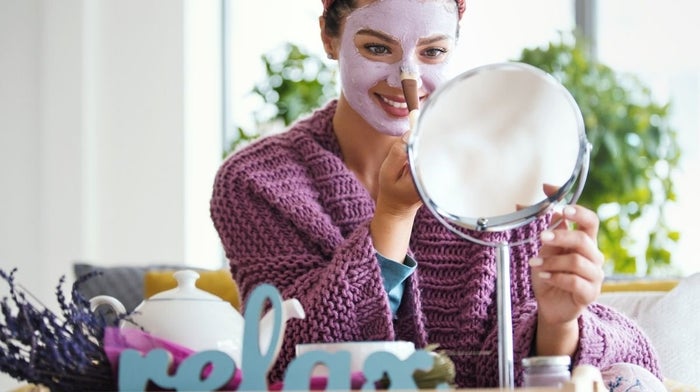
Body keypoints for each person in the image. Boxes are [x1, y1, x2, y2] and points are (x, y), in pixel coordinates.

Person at [210, 0, 664, 388]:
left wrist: (559, 322)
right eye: (376, 48)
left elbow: (573, 365)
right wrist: (391, 218)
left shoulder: (507, 170)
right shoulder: (255, 184)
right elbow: (281, 360)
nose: (406, 77)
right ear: (330, 38)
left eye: (432, 52)